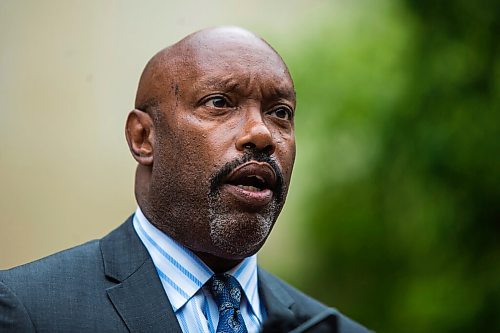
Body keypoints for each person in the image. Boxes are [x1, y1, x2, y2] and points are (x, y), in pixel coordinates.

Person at [0, 26, 371, 333]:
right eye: (220, 103)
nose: (261, 134)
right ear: (144, 137)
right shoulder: (30, 310)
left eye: (280, 112)